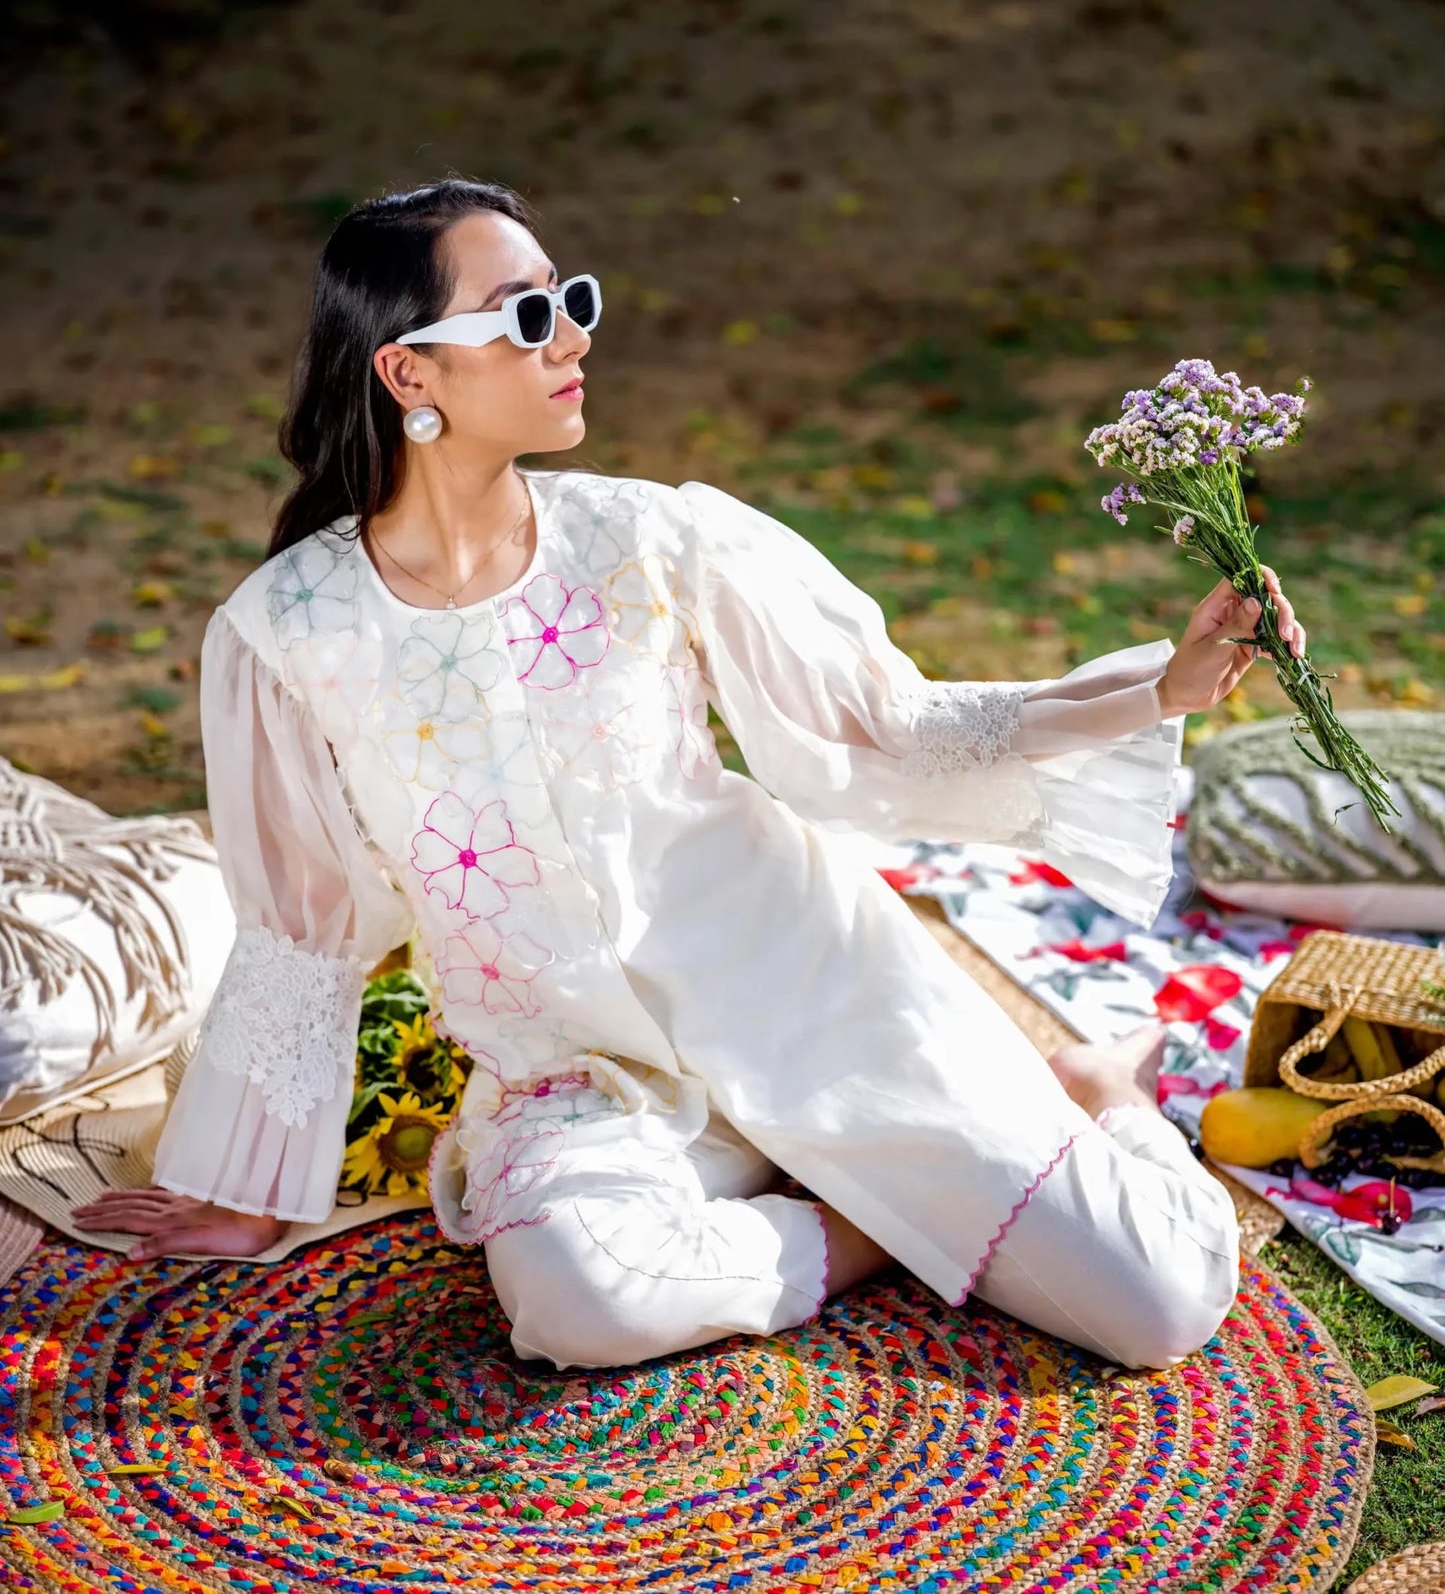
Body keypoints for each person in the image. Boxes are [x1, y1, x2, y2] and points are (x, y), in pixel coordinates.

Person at [72, 179, 1308, 1374]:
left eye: (573, 301)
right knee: (583, 1297)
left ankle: (1090, 1087)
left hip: (804, 995)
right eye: (525, 315)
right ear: (409, 371)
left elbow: (882, 725)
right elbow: (305, 925)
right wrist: (239, 1187)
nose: (573, 340)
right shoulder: (286, 630)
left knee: (1159, 1297)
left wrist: (1157, 691)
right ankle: (872, 1220)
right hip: (576, 1073)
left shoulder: (652, 538)